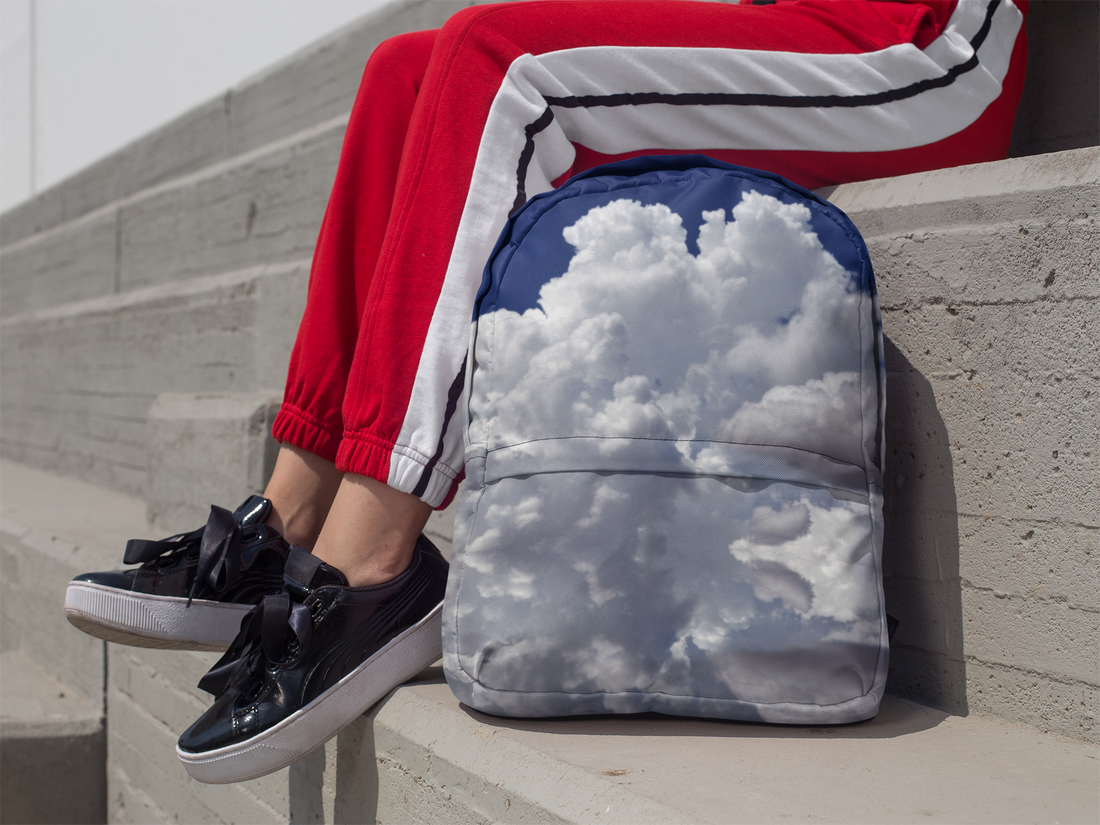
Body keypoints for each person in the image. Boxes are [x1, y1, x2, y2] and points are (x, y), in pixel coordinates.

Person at [64, 0, 1029, 783]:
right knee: (405, 70)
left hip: (923, 46)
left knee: (504, 63)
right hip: (805, 17)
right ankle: (292, 513)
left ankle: (371, 560)